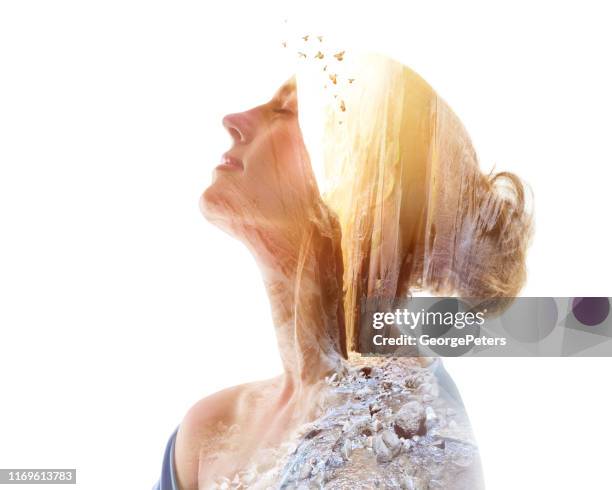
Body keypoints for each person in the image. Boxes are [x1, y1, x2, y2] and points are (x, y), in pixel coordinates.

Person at [153, 53, 532, 490]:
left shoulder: (408, 440)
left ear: (360, 186)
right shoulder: (208, 431)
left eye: (287, 111)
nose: (234, 120)